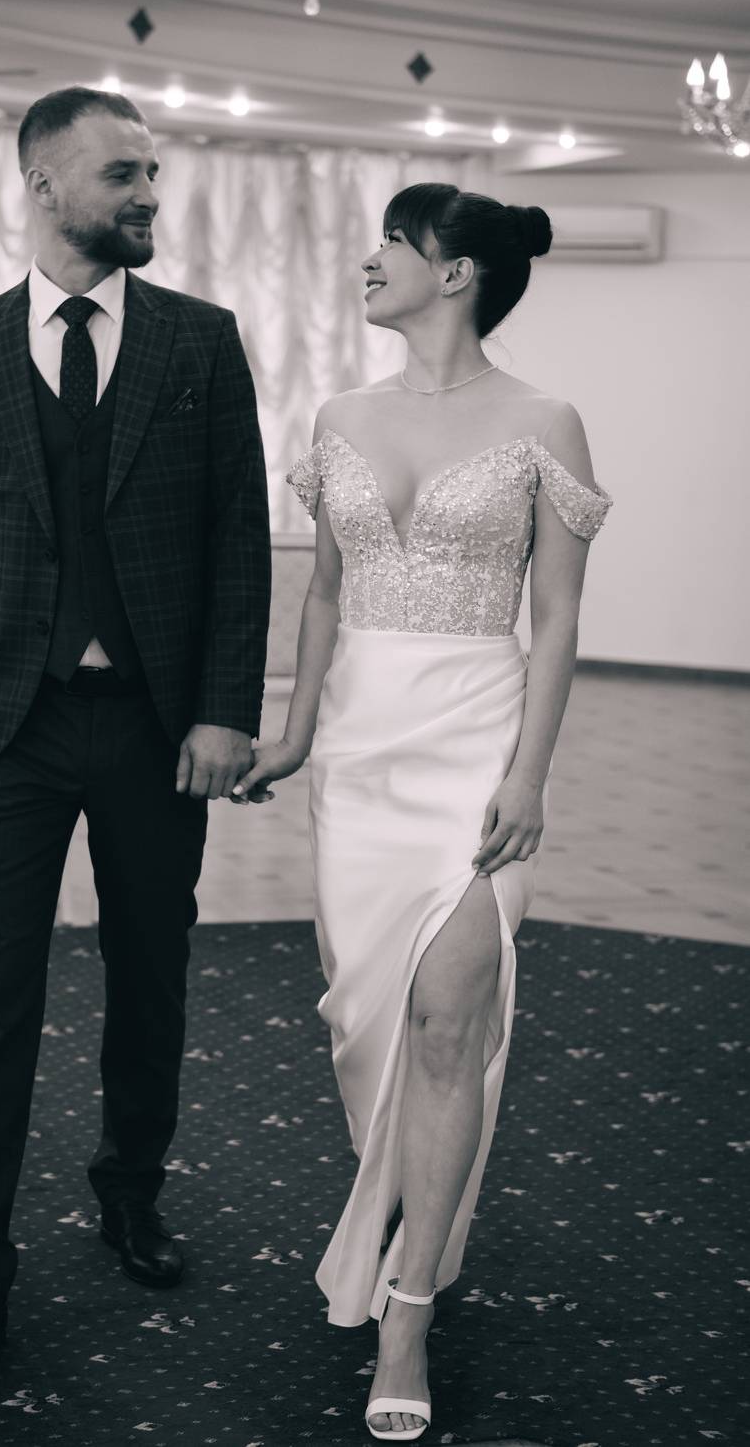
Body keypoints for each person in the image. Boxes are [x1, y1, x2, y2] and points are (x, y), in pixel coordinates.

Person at [0, 86, 271, 1369]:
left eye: (153, 173)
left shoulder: (201, 341)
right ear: (45, 186)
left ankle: (130, 1193)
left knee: (149, 980)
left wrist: (225, 709)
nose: (148, 195)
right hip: (12, 725)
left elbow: (237, 541)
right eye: (122, 174)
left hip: (159, 731)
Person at [234, 183, 611, 1439]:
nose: (368, 259)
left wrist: (528, 775)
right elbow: (323, 596)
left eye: (392, 243)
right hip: (357, 758)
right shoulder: (338, 416)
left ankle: (406, 1318)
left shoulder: (545, 421)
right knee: (368, 1029)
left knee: (449, 1025)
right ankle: (407, 1213)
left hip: (471, 745)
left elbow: (557, 616)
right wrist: (295, 732)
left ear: (455, 273)